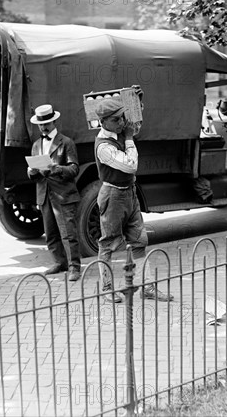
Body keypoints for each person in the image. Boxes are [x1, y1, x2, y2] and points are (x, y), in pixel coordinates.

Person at [94, 95, 173, 303]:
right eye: (116, 119)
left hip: (129, 192)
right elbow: (131, 165)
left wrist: (137, 101)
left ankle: (147, 287)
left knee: (140, 241)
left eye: (122, 117)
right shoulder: (103, 146)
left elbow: (135, 123)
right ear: (103, 122)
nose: (122, 122)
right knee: (108, 243)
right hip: (112, 196)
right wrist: (129, 138)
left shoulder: (121, 131)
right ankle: (107, 288)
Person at [28, 104, 82, 281]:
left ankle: (74, 266)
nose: (43, 127)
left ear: (54, 121)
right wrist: (32, 172)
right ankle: (60, 262)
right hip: (44, 194)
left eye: (46, 124)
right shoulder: (36, 145)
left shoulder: (66, 142)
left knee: (68, 233)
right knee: (50, 233)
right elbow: (35, 172)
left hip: (63, 194)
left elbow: (74, 169)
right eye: (40, 124)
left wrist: (57, 168)